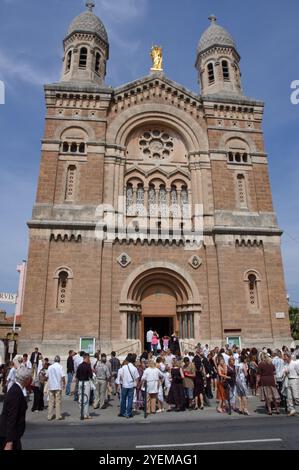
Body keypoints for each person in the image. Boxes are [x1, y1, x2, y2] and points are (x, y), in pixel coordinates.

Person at [0, 367, 32, 450]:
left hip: (13, 435)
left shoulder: (16, 389)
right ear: (26, 379)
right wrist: (9, 442)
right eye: (30, 378)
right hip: (9, 437)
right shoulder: (15, 392)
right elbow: (12, 418)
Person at [118, 353, 139, 418]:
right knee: (130, 400)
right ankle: (128, 413)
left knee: (123, 399)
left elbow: (121, 376)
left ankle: (122, 412)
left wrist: (122, 381)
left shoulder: (124, 367)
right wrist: (136, 384)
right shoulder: (134, 368)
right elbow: (137, 378)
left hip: (124, 385)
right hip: (131, 386)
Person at [46, 355, 66, 421]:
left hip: (51, 386)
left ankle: (49, 416)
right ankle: (58, 416)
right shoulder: (60, 367)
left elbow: (47, 376)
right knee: (58, 402)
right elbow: (63, 376)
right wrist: (64, 383)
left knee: (51, 402)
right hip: (58, 386)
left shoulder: (50, 367)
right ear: (59, 360)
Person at [76, 353, 93, 419]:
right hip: (86, 382)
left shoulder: (79, 366)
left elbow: (77, 376)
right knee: (86, 398)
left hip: (80, 382)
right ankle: (86, 414)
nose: (89, 359)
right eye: (88, 358)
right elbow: (91, 376)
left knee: (80, 398)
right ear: (86, 358)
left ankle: (81, 412)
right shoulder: (88, 366)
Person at [283, 351, 299, 416]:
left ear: (289, 357)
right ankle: (292, 410)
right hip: (288, 380)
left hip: (295, 379)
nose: (284, 358)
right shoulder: (286, 364)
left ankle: (296, 409)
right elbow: (284, 371)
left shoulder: (295, 363)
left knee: (296, 396)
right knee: (289, 397)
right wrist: (285, 372)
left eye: (285, 356)